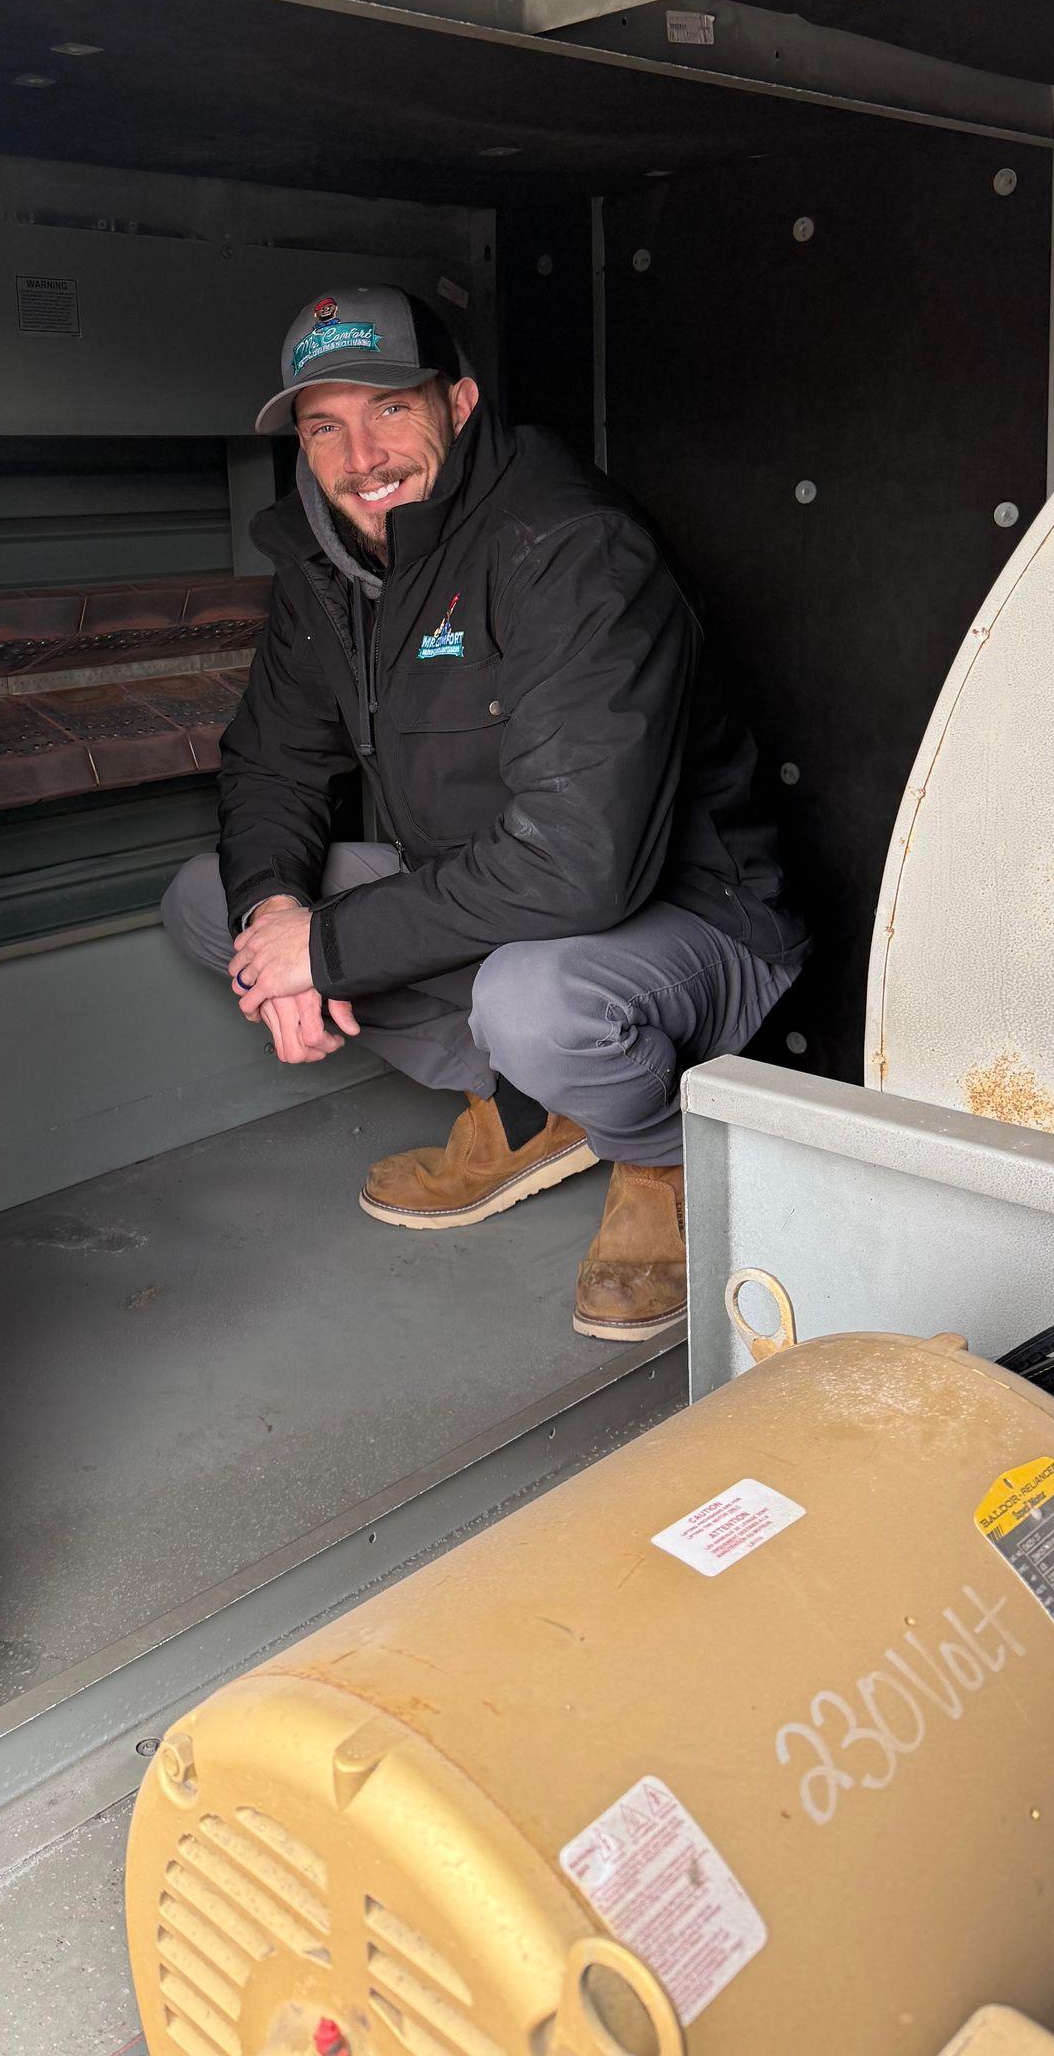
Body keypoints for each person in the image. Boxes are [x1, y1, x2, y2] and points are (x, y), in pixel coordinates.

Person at [161, 284, 806, 1338]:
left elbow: (579, 867)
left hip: (695, 920)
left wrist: (321, 952)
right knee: (214, 906)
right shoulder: (328, 566)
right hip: (496, 902)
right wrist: (276, 918)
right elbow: (274, 765)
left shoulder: (566, 545)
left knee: (530, 999)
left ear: (458, 404)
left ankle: (660, 1154)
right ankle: (532, 1108)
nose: (360, 454)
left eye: (389, 411)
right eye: (325, 425)